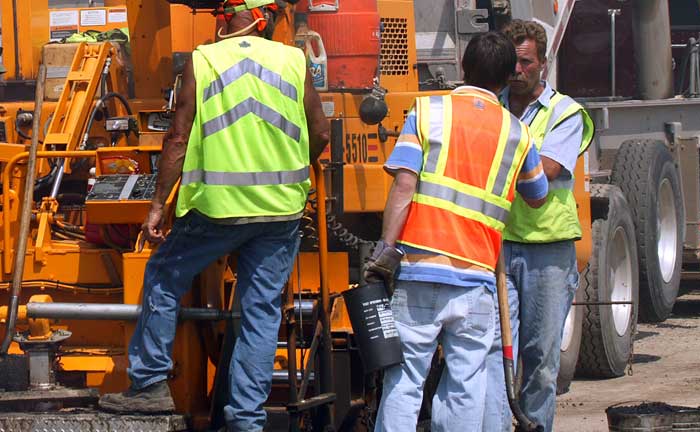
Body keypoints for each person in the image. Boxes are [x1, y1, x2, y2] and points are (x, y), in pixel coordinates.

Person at [98, 1, 330, 431]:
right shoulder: (293, 60)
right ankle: (245, 419)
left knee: (164, 276)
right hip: (280, 211)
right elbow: (319, 132)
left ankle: (149, 385)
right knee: (261, 310)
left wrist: (157, 205)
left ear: (230, 18)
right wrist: (294, 171)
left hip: (217, 210)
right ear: (264, 18)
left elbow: (177, 138)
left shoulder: (205, 59)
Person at [365, 31, 549, 432]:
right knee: (466, 382)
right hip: (478, 280)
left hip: (419, 273)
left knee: (406, 380)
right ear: (506, 78)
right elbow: (537, 194)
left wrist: (385, 251)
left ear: (463, 66)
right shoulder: (518, 134)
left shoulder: (429, 112)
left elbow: (403, 185)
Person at [483, 20, 595, 432]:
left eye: (526, 62)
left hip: (546, 250)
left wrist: (487, 168)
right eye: (512, 63)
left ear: (542, 64)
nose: (517, 71)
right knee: (494, 353)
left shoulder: (564, 112)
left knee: (541, 361)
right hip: (495, 245)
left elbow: (545, 173)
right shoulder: (490, 105)